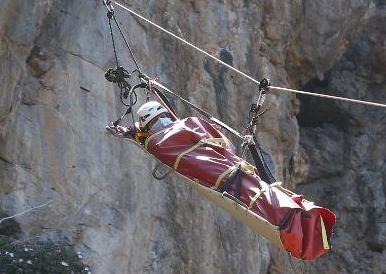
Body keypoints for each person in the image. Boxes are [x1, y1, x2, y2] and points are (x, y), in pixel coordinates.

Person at [104, 100, 336, 260]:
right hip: (240, 171)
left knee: (271, 209)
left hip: (228, 183)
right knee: (272, 198)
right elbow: (227, 144)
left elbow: (152, 142)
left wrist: (131, 133)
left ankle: (300, 228)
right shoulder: (192, 122)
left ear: (148, 125)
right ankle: (307, 222)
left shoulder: (158, 142)